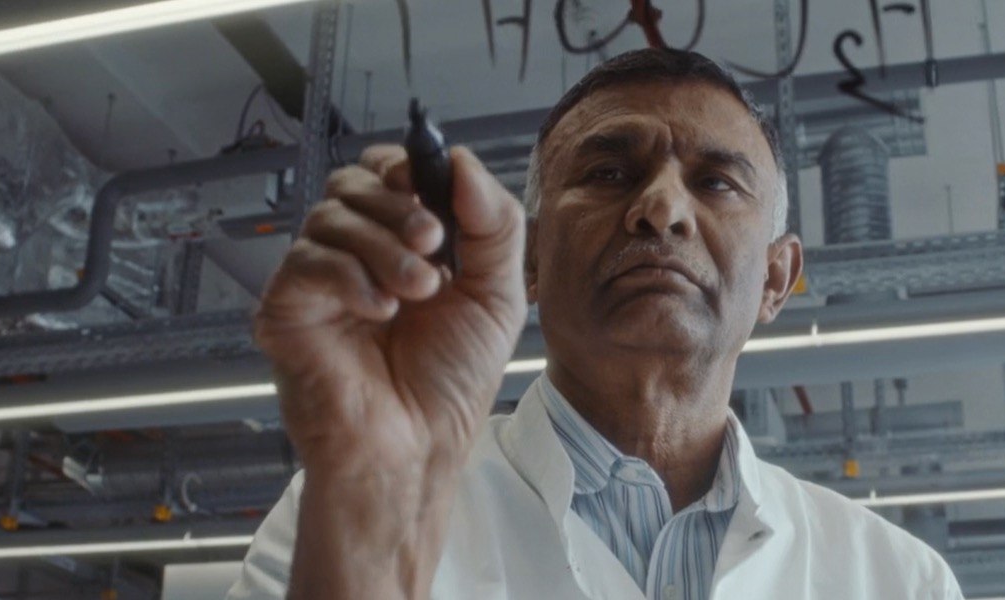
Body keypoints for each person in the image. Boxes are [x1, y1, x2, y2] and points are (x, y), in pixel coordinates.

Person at [228, 48, 962, 600]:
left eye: (715, 182)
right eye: (609, 174)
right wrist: (367, 505)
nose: (662, 209)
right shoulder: (339, 509)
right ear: (530, 258)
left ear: (775, 278)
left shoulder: (895, 580)